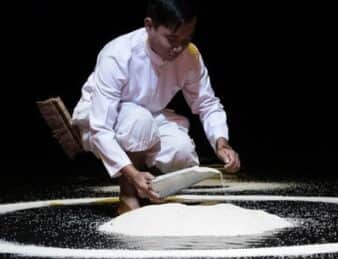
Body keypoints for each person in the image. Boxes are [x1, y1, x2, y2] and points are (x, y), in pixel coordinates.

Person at [71, 0, 241, 213]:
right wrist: (132, 173)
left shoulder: (190, 55)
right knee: (138, 121)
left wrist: (222, 144)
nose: (178, 48)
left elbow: (207, 103)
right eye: (172, 39)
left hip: (150, 116)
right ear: (149, 26)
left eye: (186, 40)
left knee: (181, 150)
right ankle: (128, 194)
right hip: (100, 119)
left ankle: (149, 189)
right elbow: (101, 128)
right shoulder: (117, 53)